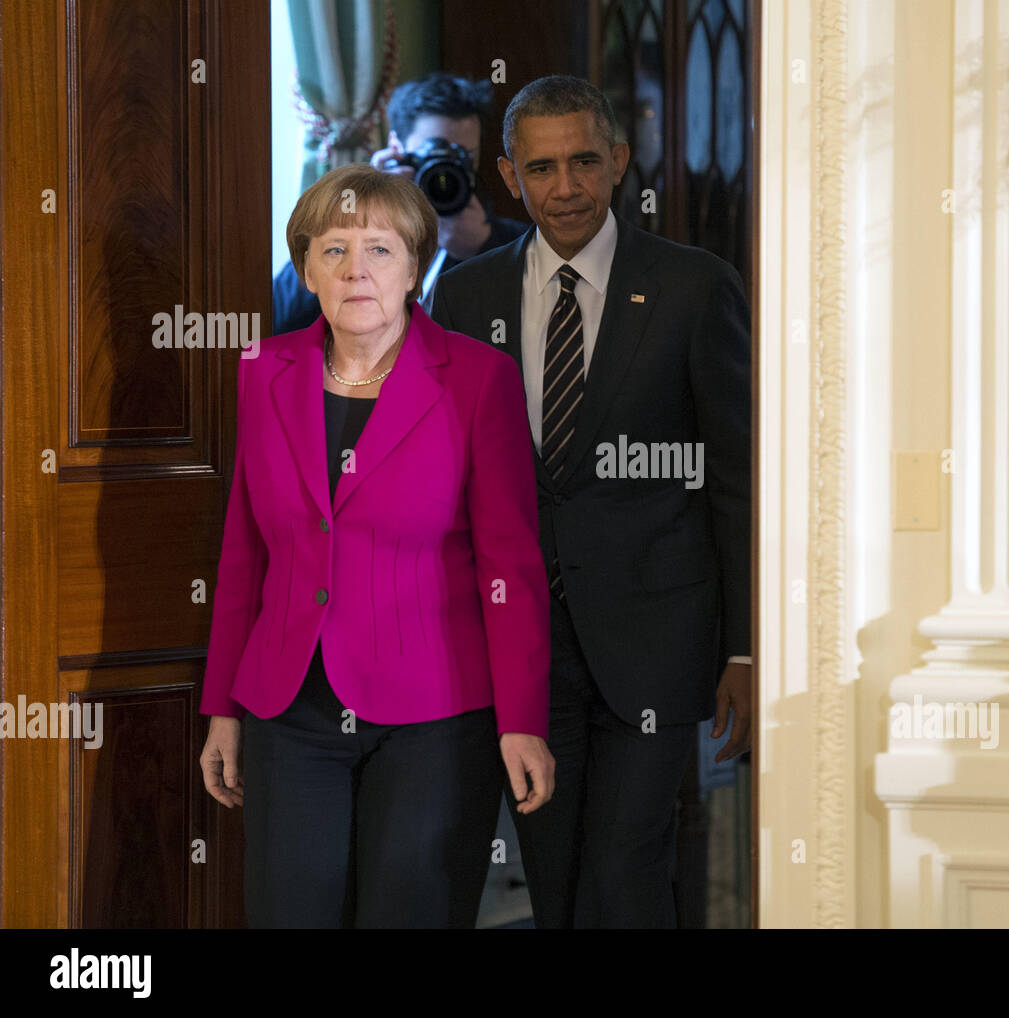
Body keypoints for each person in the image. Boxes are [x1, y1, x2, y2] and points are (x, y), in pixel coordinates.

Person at [430, 75, 752, 929]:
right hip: (527, 649)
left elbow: (734, 481)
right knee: (555, 874)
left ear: (617, 161)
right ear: (508, 175)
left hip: (657, 639)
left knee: (627, 870)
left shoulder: (693, 287)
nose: (564, 186)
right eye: (541, 168)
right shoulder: (462, 298)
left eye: (582, 161)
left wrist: (746, 651)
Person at [199, 164, 554, 928]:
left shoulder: (479, 380)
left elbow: (511, 565)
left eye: (380, 249)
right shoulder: (263, 373)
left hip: (434, 717)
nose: (356, 269)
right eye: (334, 250)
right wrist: (222, 707)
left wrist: (522, 719)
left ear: (416, 267)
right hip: (287, 709)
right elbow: (243, 554)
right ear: (304, 268)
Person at [273, 73, 529, 333]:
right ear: (396, 148)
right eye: (433, 153)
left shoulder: (512, 244)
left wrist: (485, 251)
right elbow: (279, 316)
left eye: (463, 156)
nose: (445, 171)